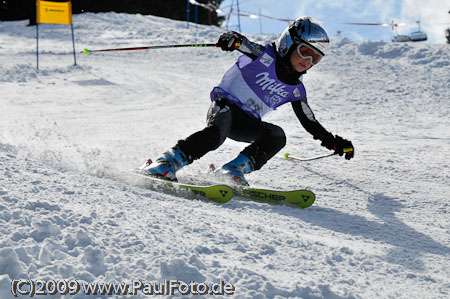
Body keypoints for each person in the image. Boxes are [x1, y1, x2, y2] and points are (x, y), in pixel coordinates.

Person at [140, 16, 354, 185]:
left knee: (277, 136)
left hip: (246, 123)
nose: (307, 61)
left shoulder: (297, 90)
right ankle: (166, 162)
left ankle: (231, 170)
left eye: (314, 58)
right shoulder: (264, 56)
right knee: (216, 134)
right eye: (305, 52)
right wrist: (231, 39)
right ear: (289, 43)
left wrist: (334, 142)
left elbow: (310, 122)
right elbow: (242, 43)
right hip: (225, 107)